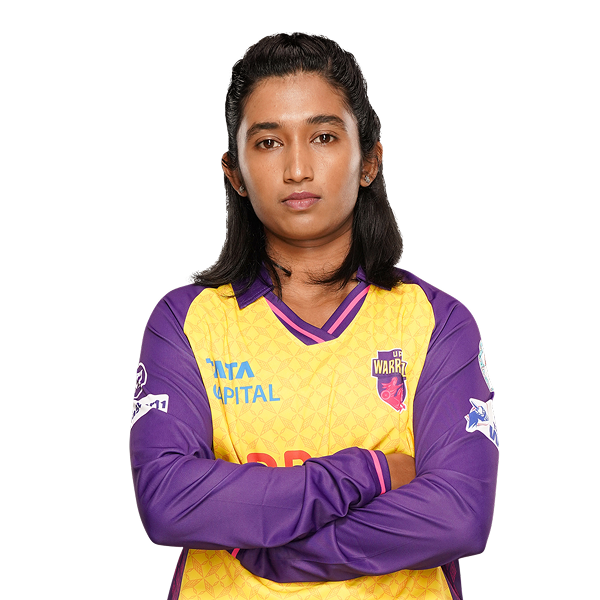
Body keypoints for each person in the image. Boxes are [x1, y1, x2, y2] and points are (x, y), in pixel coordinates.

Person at [130, 32, 498, 600]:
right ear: (234, 172)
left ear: (369, 160)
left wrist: (272, 548)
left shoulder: (436, 321)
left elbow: (458, 518)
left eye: (324, 136)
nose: (297, 168)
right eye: (268, 142)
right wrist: (370, 473)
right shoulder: (185, 321)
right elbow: (169, 503)